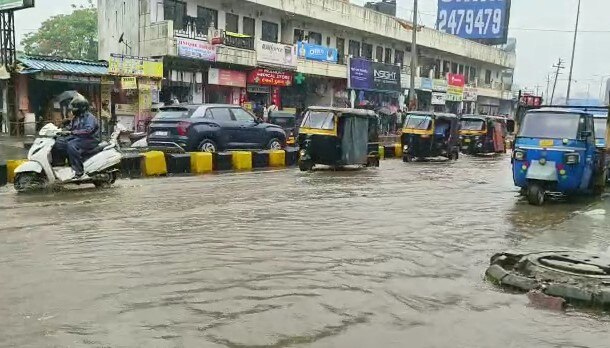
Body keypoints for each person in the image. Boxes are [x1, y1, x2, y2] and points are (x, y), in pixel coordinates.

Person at [53, 95, 99, 178]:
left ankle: (78, 170)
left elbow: (88, 131)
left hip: (90, 140)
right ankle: (59, 165)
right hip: (79, 138)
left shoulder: (90, 118)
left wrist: (72, 132)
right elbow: (70, 127)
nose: (73, 109)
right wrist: (60, 131)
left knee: (71, 145)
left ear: (82, 107)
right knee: (58, 142)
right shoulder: (76, 118)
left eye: (75, 107)